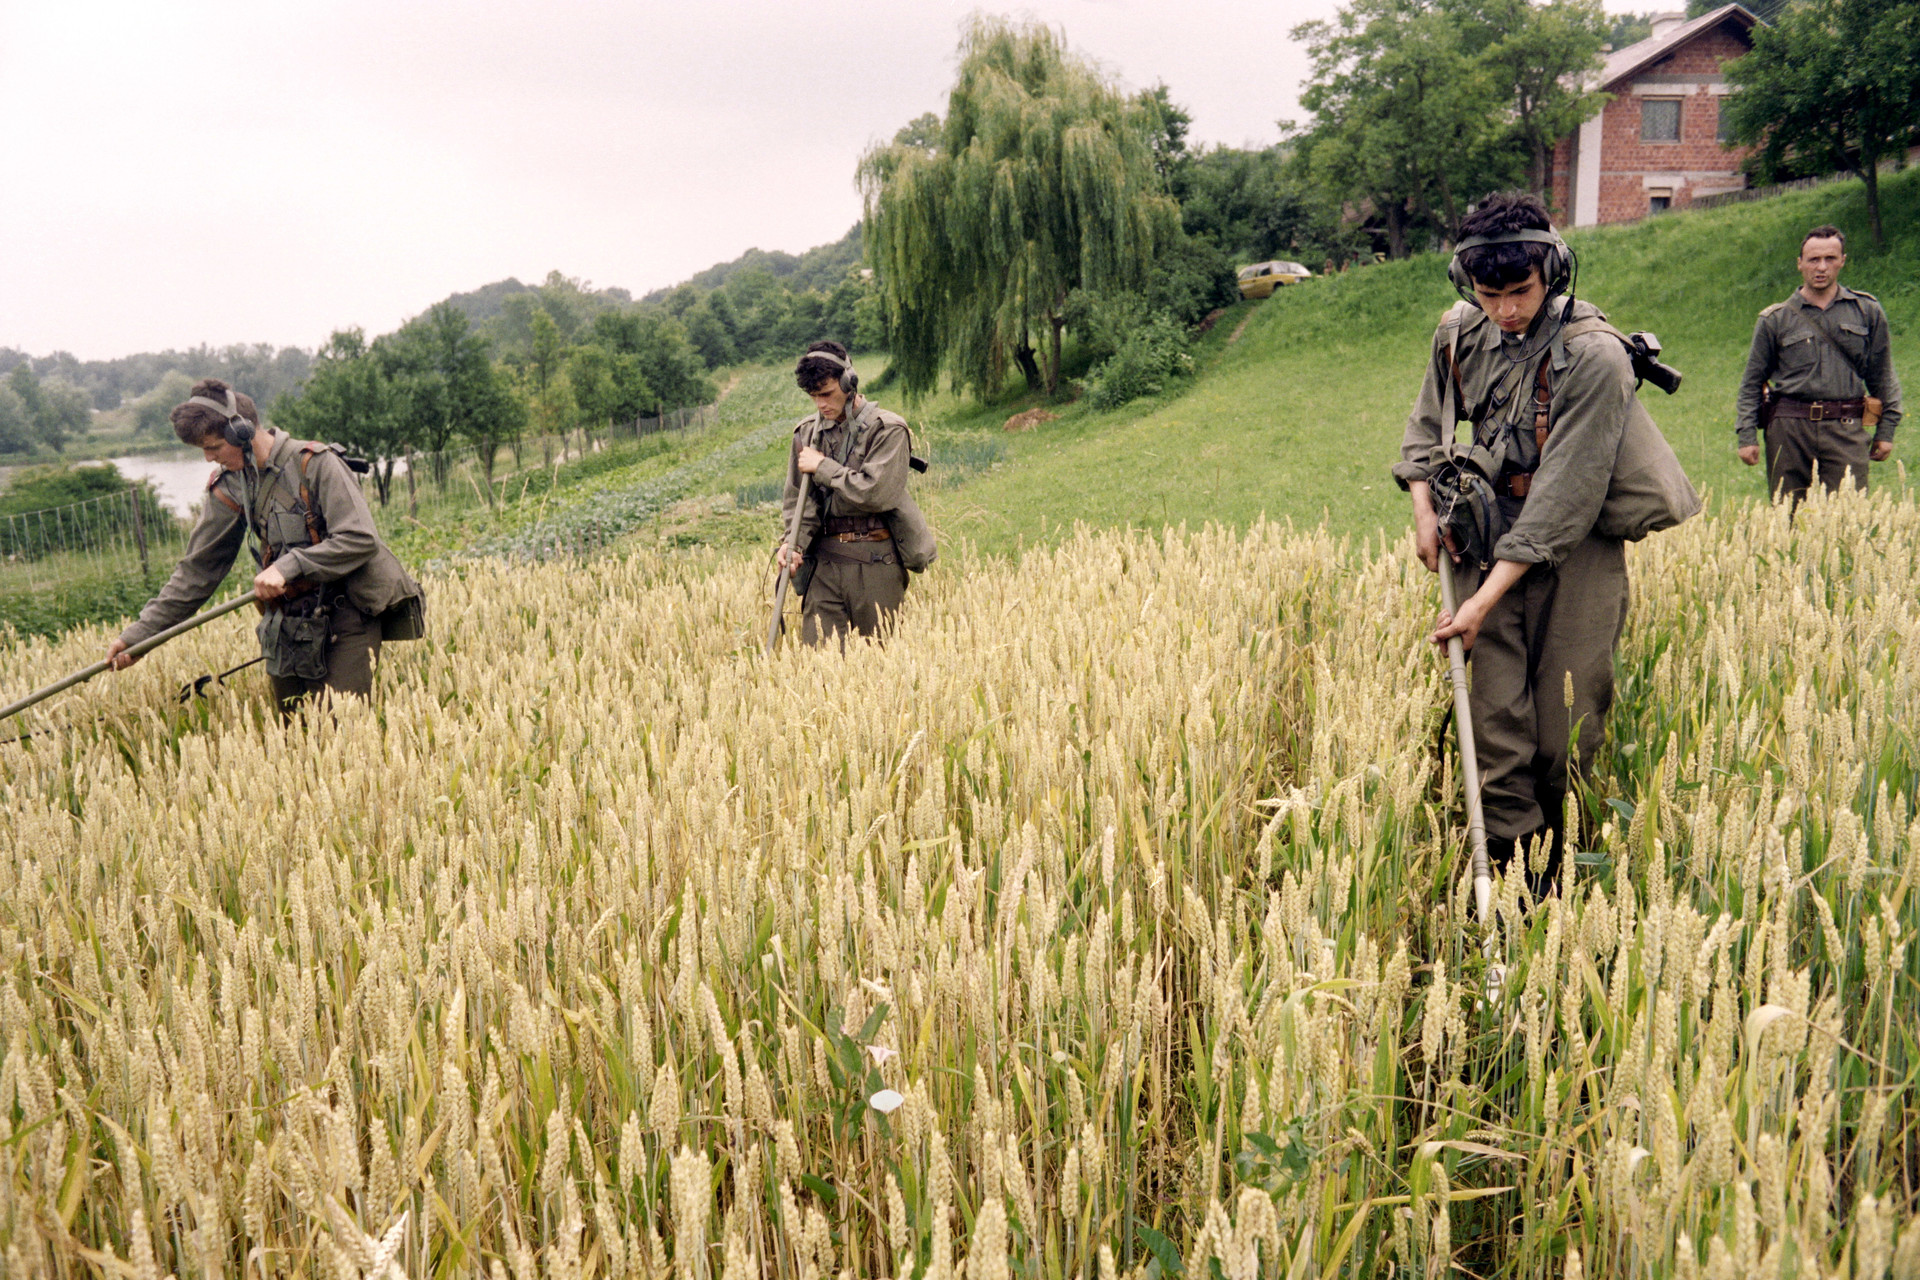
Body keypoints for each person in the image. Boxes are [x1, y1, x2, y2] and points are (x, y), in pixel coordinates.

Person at [1393, 192, 1640, 895]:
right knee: (1495, 728)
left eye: (1520, 292)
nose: (1505, 310)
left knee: (1565, 735)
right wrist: (1422, 511)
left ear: (1554, 272)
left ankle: (1571, 884)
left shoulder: (1595, 358)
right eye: (1488, 293)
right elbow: (1423, 436)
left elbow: (1563, 502)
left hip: (1574, 553)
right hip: (1482, 539)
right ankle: (1511, 892)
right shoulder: (1457, 334)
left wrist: (1481, 604)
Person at [105, 378, 424, 713]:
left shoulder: (315, 464)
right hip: (288, 619)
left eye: (213, 447)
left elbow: (360, 539)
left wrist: (288, 566)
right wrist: (140, 637)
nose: (208, 458)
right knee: (291, 732)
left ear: (241, 433)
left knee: (339, 728)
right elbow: (197, 572)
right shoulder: (231, 485)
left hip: (348, 613)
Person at [1735, 224, 1903, 504]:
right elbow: (1752, 381)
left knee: (1848, 518)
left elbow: (1882, 375)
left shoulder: (1866, 311)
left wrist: (1886, 431)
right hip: (1789, 430)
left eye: (1830, 259)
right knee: (1786, 516)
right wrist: (1747, 435)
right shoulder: (1774, 319)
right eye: (1813, 259)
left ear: (1843, 261)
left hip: (1846, 427)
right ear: (1800, 264)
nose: (1821, 267)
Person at [775, 342, 929, 646]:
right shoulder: (806, 434)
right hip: (824, 566)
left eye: (827, 393)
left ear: (849, 383)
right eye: (813, 396)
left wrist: (823, 467)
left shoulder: (887, 429)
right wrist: (793, 545)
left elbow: (877, 493)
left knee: (882, 664)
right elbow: (799, 501)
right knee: (822, 666)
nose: (820, 404)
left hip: (875, 563)